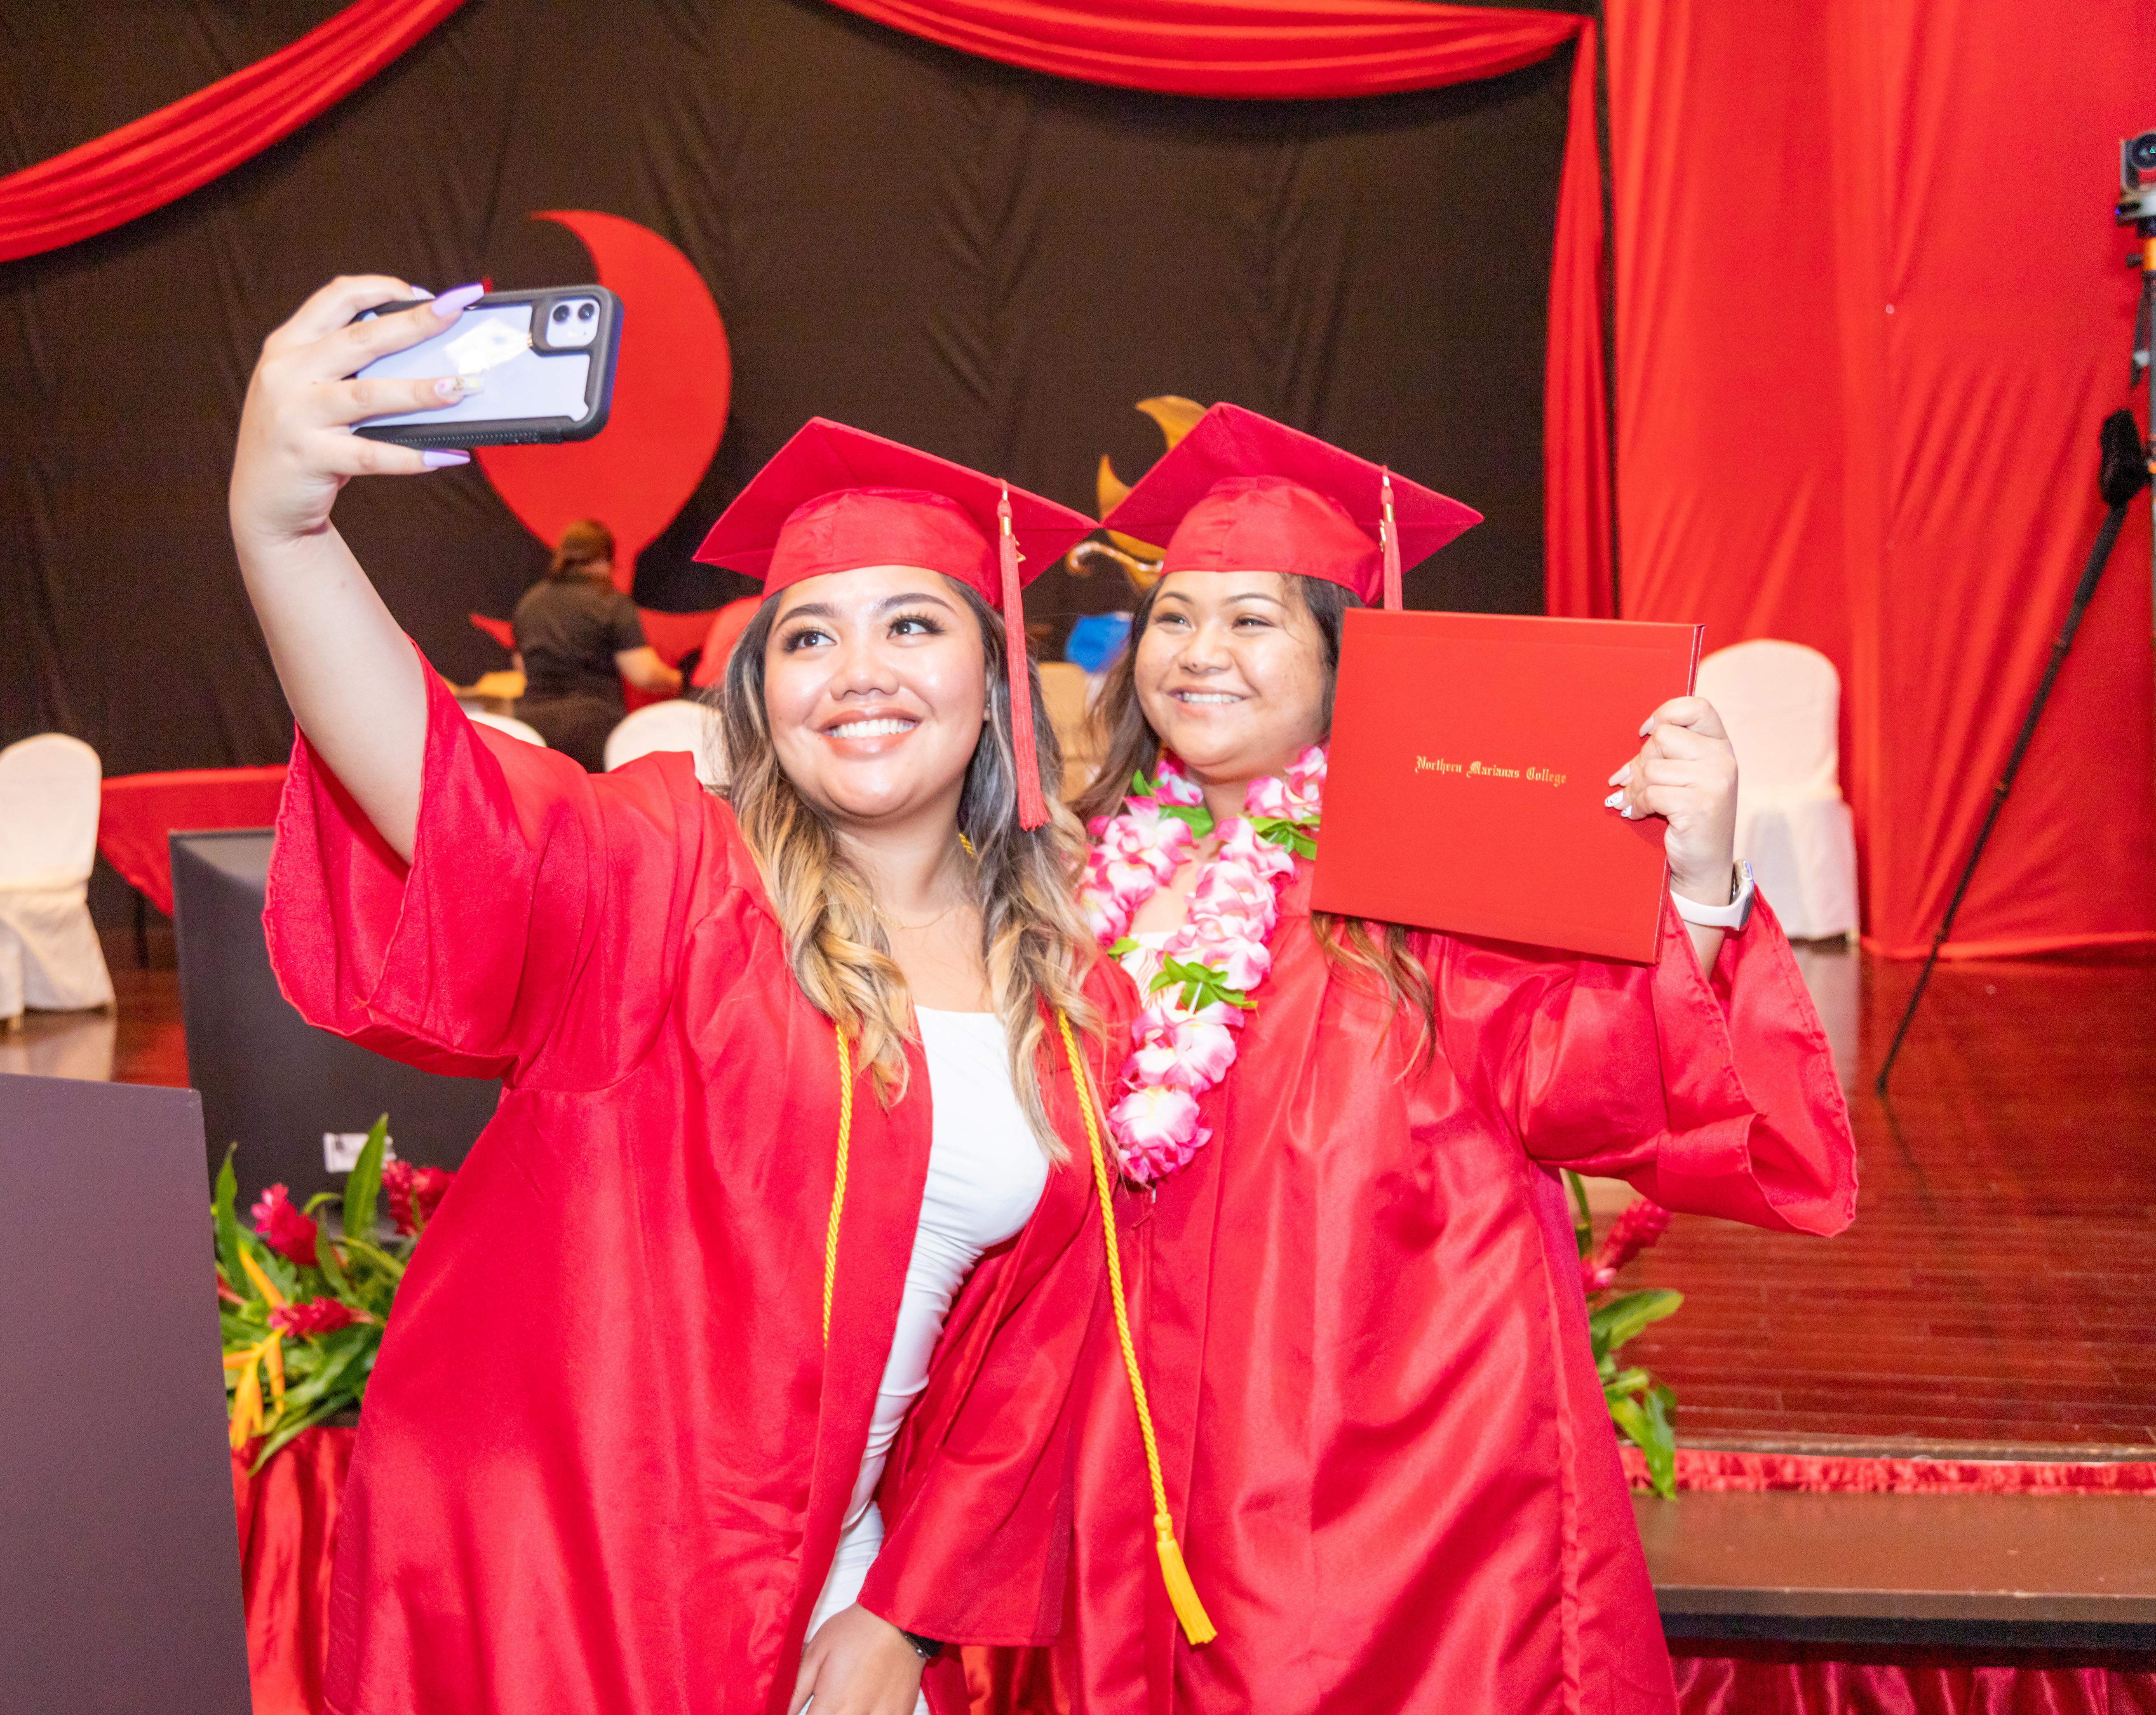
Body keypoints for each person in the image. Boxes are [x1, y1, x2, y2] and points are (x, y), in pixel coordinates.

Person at [228, 274, 1166, 1715]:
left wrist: (905, 1616)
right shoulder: (672, 867)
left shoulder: (1073, 980)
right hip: (586, 1578)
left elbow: (1042, 1357)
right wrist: (284, 532)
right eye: (806, 637)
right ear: (760, 697)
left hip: (845, 1594)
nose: (856, 671)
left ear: (998, 675)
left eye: (915, 625)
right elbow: (451, 790)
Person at [1036, 404, 1858, 1715]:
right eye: (1175, 618)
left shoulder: (1424, 882)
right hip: (1123, 1469)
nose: (1199, 655)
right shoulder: (1092, 882)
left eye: (1253, 620)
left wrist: (1696, 883)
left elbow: (1583, 1078)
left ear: (1342, 660)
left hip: (1382, 1479)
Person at [509, 517, 683, 769]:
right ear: (603, 561)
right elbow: (645, 674)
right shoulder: (611, 602)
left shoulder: (530, 602)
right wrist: (679, 681)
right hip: (592, 727)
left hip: (533, 725)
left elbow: (522, 667)